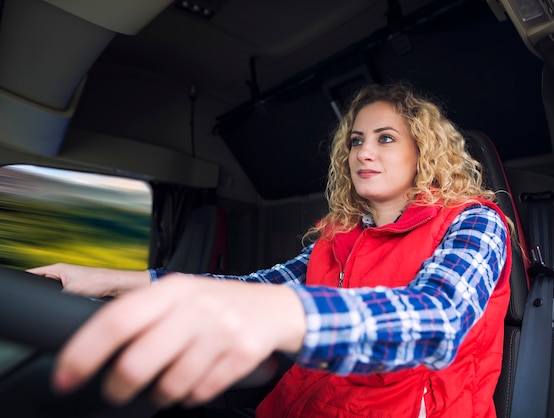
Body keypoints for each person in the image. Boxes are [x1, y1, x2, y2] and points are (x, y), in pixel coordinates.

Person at [30, 81, 512, 417]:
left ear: (424, 153)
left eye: (386, 139)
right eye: (357, 140)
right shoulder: (339, 236)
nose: (364, 152)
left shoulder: (475, 222)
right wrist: (109, 280)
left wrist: (282, 316)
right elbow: (253, 289)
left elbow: (438, 319)